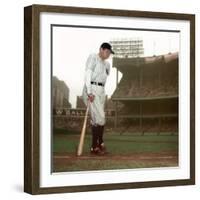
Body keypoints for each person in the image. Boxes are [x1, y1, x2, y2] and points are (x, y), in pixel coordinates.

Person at [82, 42, 114, 155]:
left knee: (97, 120)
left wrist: (101, 92)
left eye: (110, 53)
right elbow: (88, 74)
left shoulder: (107, 65)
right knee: (101, 117)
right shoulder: (93, 57)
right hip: (92, 89)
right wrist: (89, 92)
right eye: (107, 51)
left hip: (101, 91)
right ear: (101, 49)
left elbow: (104, 77)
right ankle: (100, 142)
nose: (109, 54)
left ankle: (95, 147)